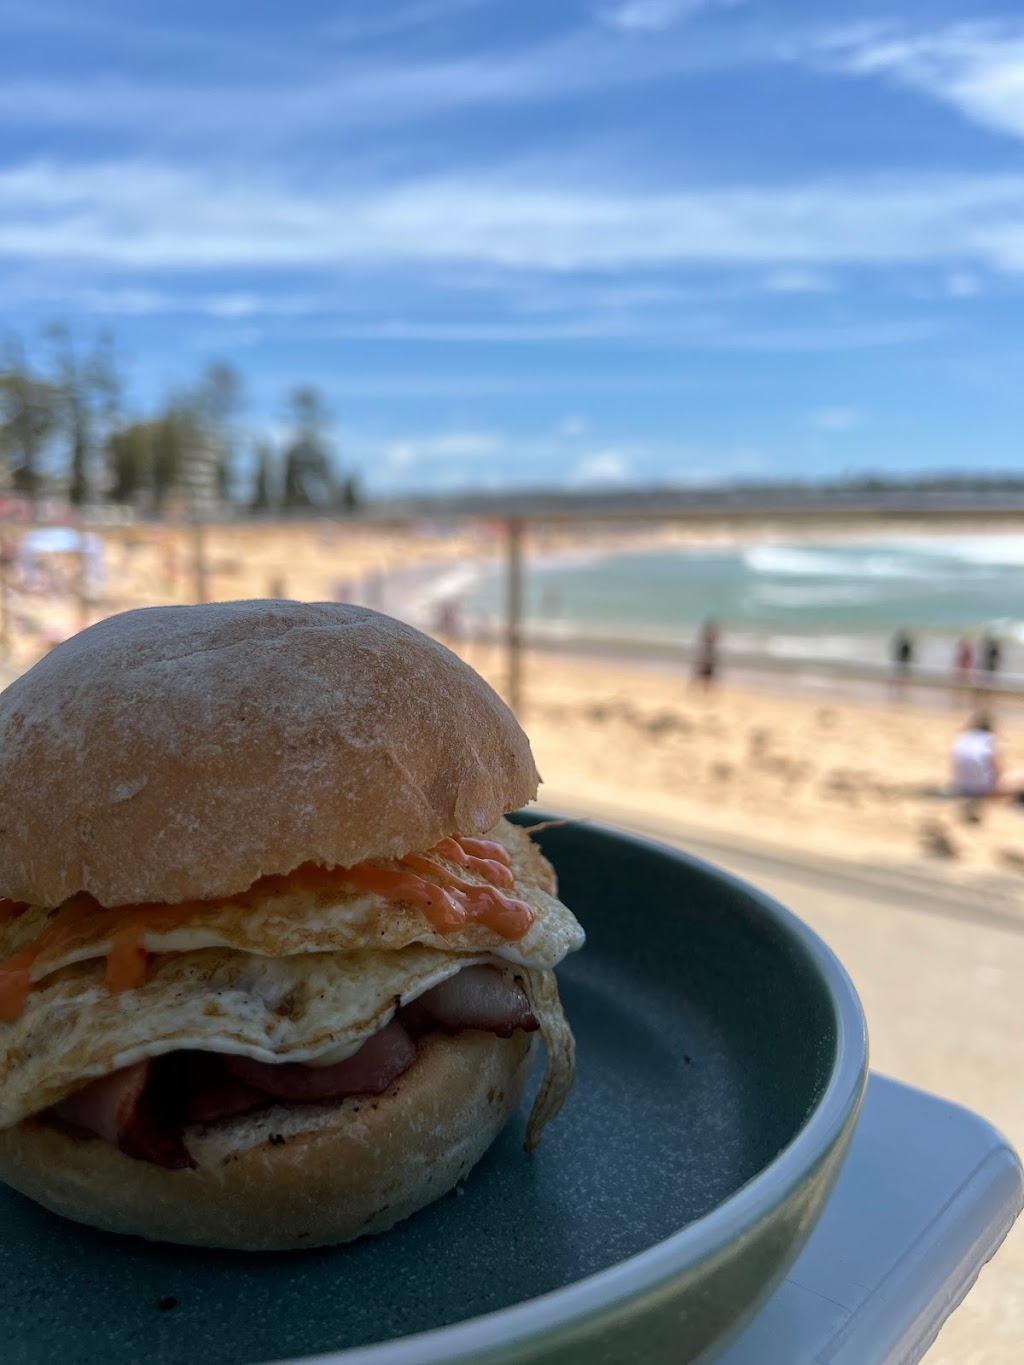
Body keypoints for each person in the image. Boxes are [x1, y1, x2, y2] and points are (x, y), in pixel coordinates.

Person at [949, 714, 1024, 798]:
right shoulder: (988, 739)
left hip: (961, 787)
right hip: (983, 790)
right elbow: (998, 770)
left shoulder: (962, 738)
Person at [692, 619, 720, 691]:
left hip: (707, 658)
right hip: (707, 658)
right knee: (704, 675)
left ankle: (703, 690)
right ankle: (699, 689)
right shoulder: (710, 637)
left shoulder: (708, 637)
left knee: (706, 676)